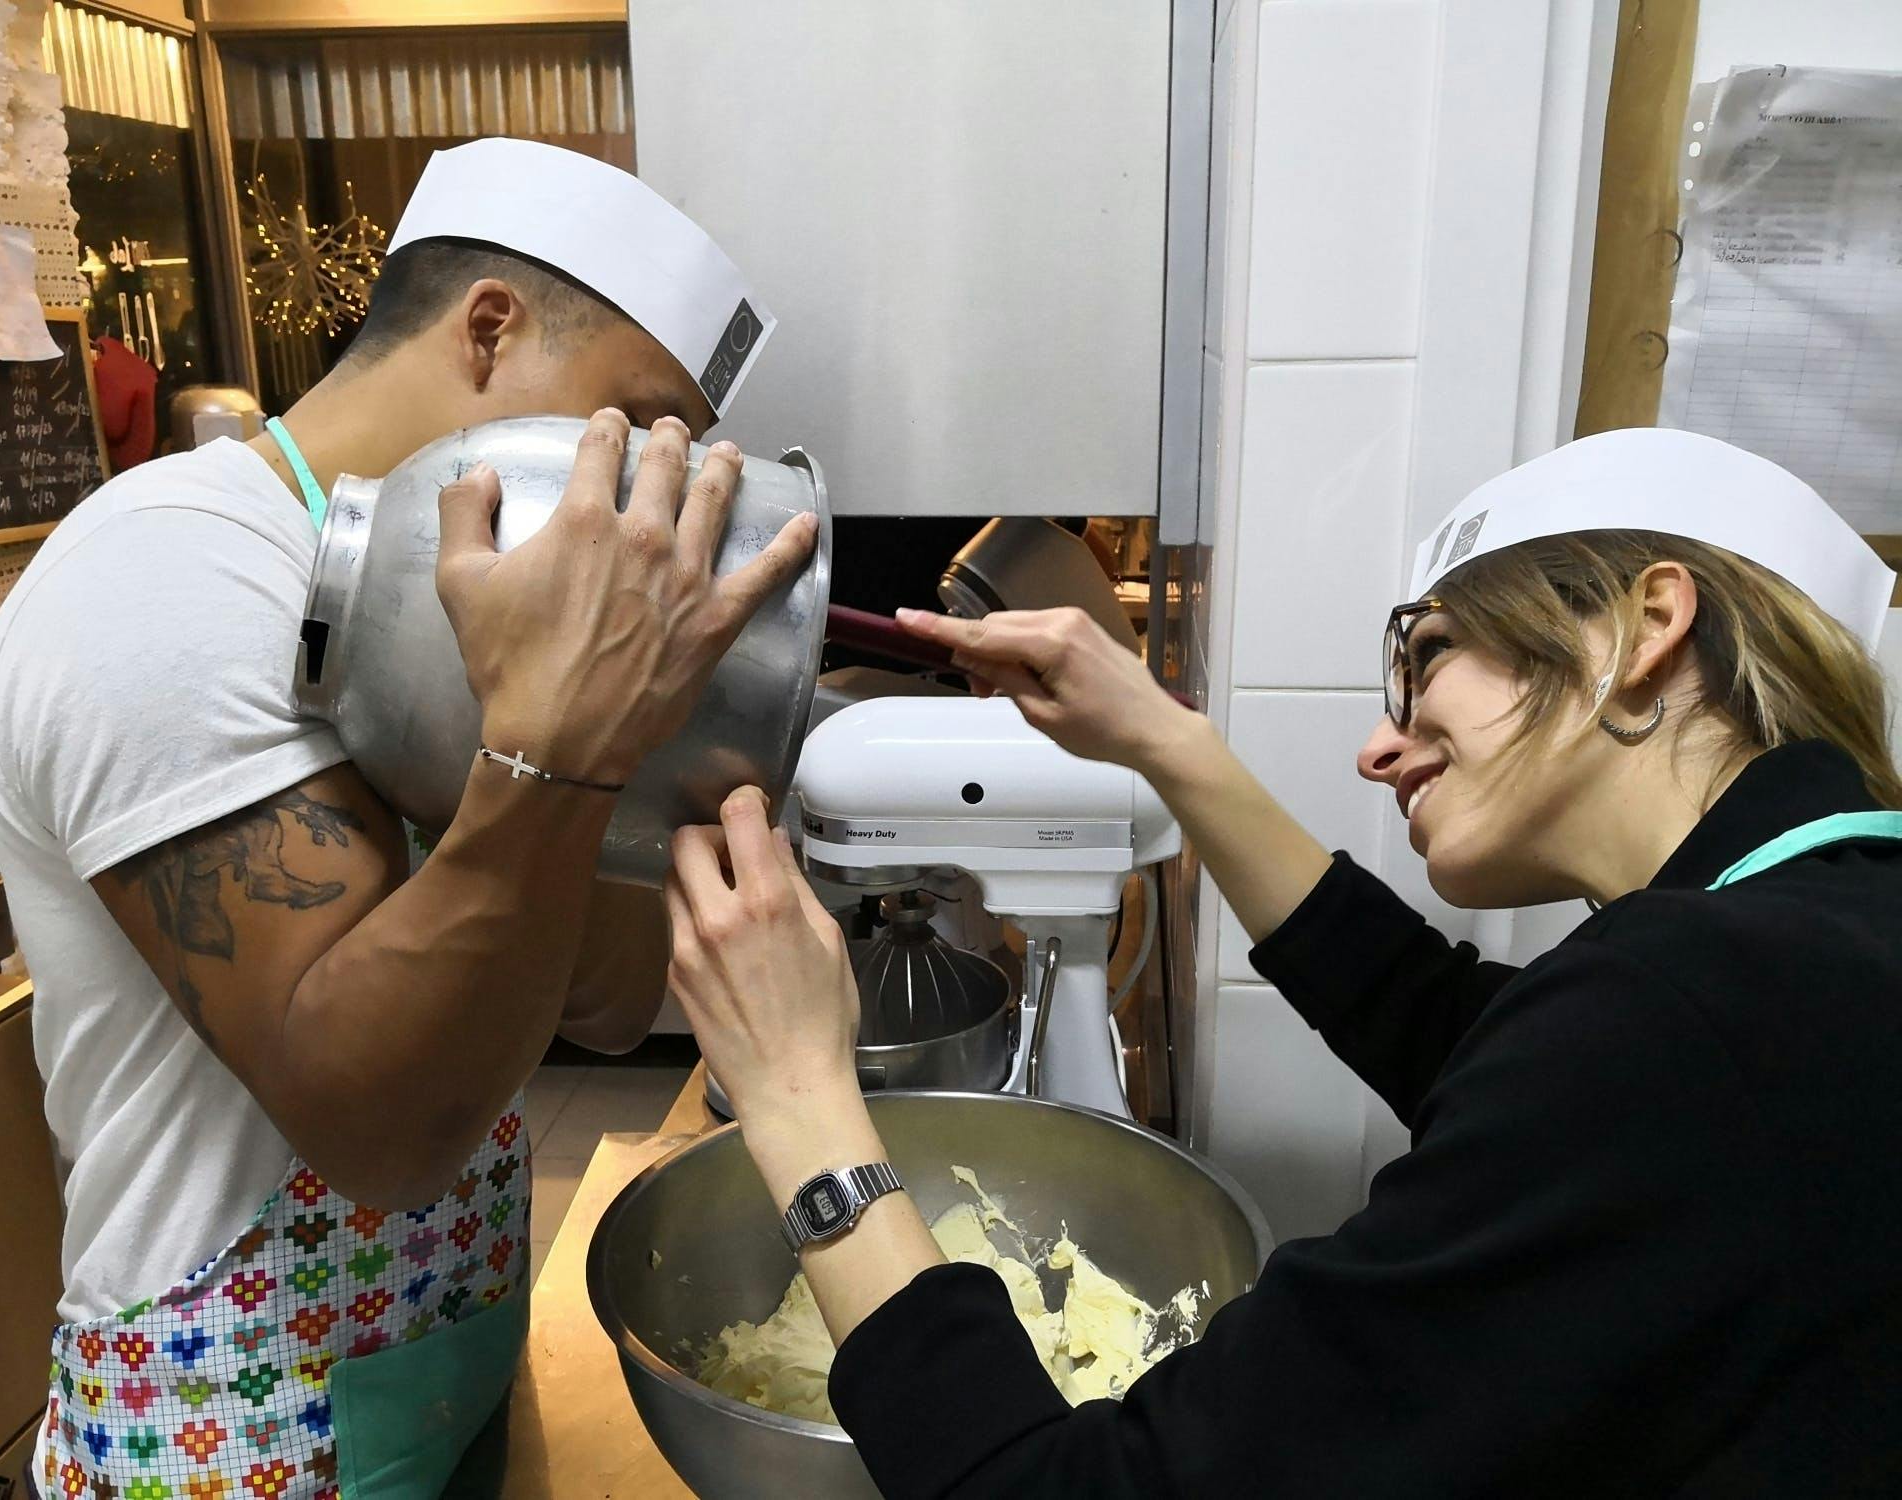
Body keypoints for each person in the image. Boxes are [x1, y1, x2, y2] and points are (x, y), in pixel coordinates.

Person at [662, 428, 1902, 1498]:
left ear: (1644, 627)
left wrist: (798, 1104)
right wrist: (1165, 744)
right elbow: (1460, 1039)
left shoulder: (1695, 1012)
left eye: (1421, 657)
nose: (1378, 745)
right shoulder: (1813, 955)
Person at [0, 138, 815, 1499]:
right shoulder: (174, 580)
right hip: (223, 1438)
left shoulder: (472, 603)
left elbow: (604, 999)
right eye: (636, 419)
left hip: (433, 1389)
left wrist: (623, 723)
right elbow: (380, 1127)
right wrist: (550, 744)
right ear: (490, 332)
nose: (654, 483)